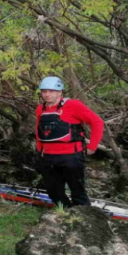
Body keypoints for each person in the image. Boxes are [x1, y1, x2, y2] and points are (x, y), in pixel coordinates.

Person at [36, 76, 104, 207]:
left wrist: (92, 146)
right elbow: (39, 130)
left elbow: (97, 122)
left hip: (71, 157)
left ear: (60, 92)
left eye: (51, 91)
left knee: (77, 192)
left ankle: (84, 218)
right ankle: (68, 215)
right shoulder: (40, 109)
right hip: (49, 157)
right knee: (53, 191)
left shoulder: (73, 105)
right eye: (44, 91)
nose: (47, 94)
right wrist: (40, 150)